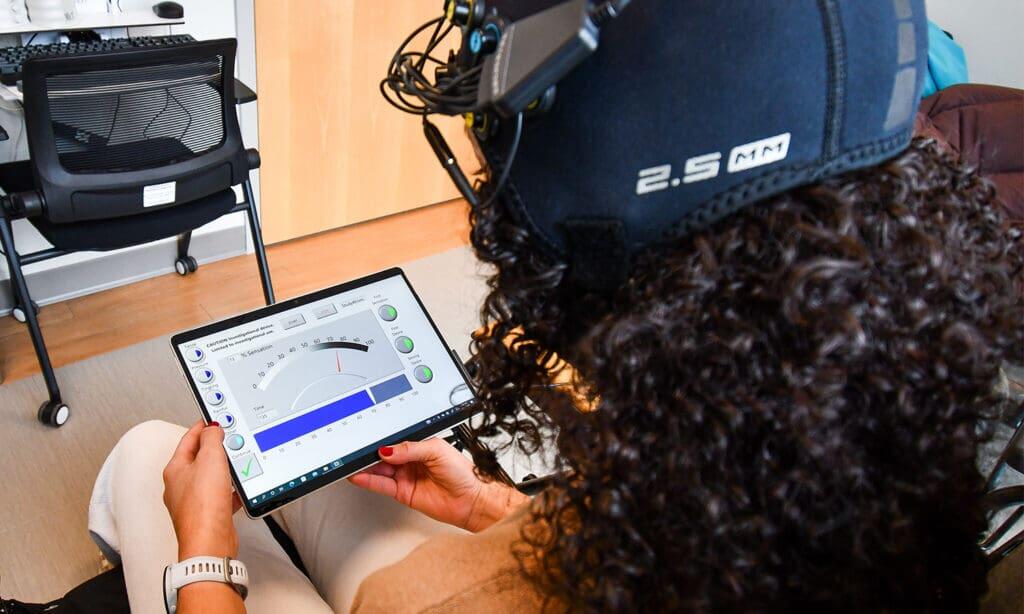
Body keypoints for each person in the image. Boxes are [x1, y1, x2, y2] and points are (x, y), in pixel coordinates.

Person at [90, 1, 1023, 612]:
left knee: (150, 458)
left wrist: (205, 551)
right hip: (514, 549)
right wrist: (492, 505)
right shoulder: (848, 467)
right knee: (329, 478)